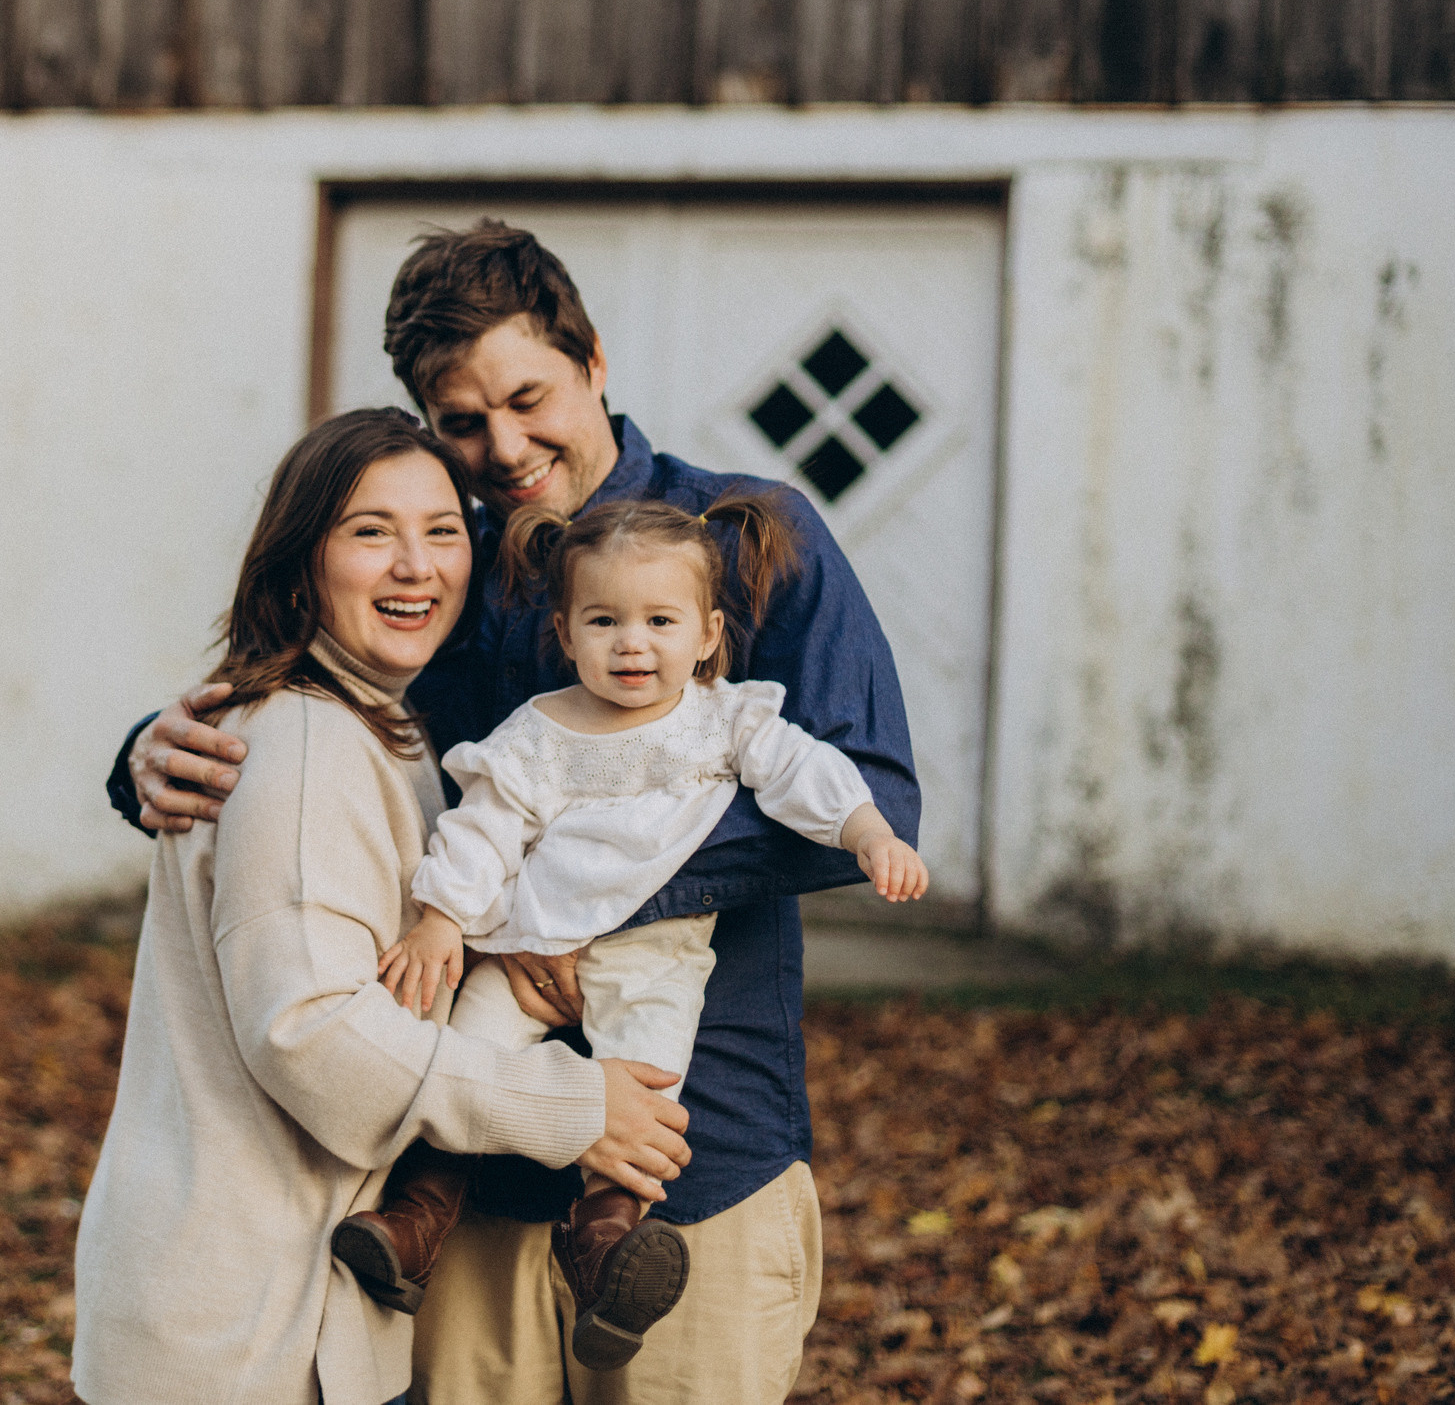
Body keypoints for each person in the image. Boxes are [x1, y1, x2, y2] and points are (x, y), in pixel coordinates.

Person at [111, 223, 920, 1404]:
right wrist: (140, 751)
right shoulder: (444, 573)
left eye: (529, 396)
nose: (504, 446)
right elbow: (308, 685)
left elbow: (873, 786)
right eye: (463, 422)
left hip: (700, 1152)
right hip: (473, 1175)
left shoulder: (747, 539)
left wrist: (581, 911)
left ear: (591, 358)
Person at [71, 407, 694, 1405]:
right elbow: (309, 1033)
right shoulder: (306, 749)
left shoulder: (365, 729)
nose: (416, 566)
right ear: (299, 559)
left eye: (441, 531)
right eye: (371, 532)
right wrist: (575, 1111)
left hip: (273, 1306)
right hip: (243, 1335)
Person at [337, 493, 930, 1372]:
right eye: (604, 620)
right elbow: (484, 825)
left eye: (660, 620)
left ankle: (608, 1237)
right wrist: (441, 918)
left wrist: (869, 831)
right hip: (525, 942)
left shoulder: (726, 718)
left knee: (648, 1081)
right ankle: (418, 1219)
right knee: (471, 1056)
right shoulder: (540, 729)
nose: (632, 642)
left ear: (706, 634)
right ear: (566, 632)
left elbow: (808, 772)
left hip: (655, 953)